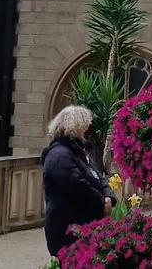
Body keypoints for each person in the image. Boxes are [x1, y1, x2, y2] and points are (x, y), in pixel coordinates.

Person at [41, 105, 116, 258]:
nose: (87, 129)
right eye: (84, 125)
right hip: (66, 225)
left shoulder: (80, 151)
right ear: (74, 127)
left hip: (84, 222)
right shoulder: (58, 154)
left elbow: (97, 175)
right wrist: (101, 202)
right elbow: (76, 185)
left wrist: (109, 195)